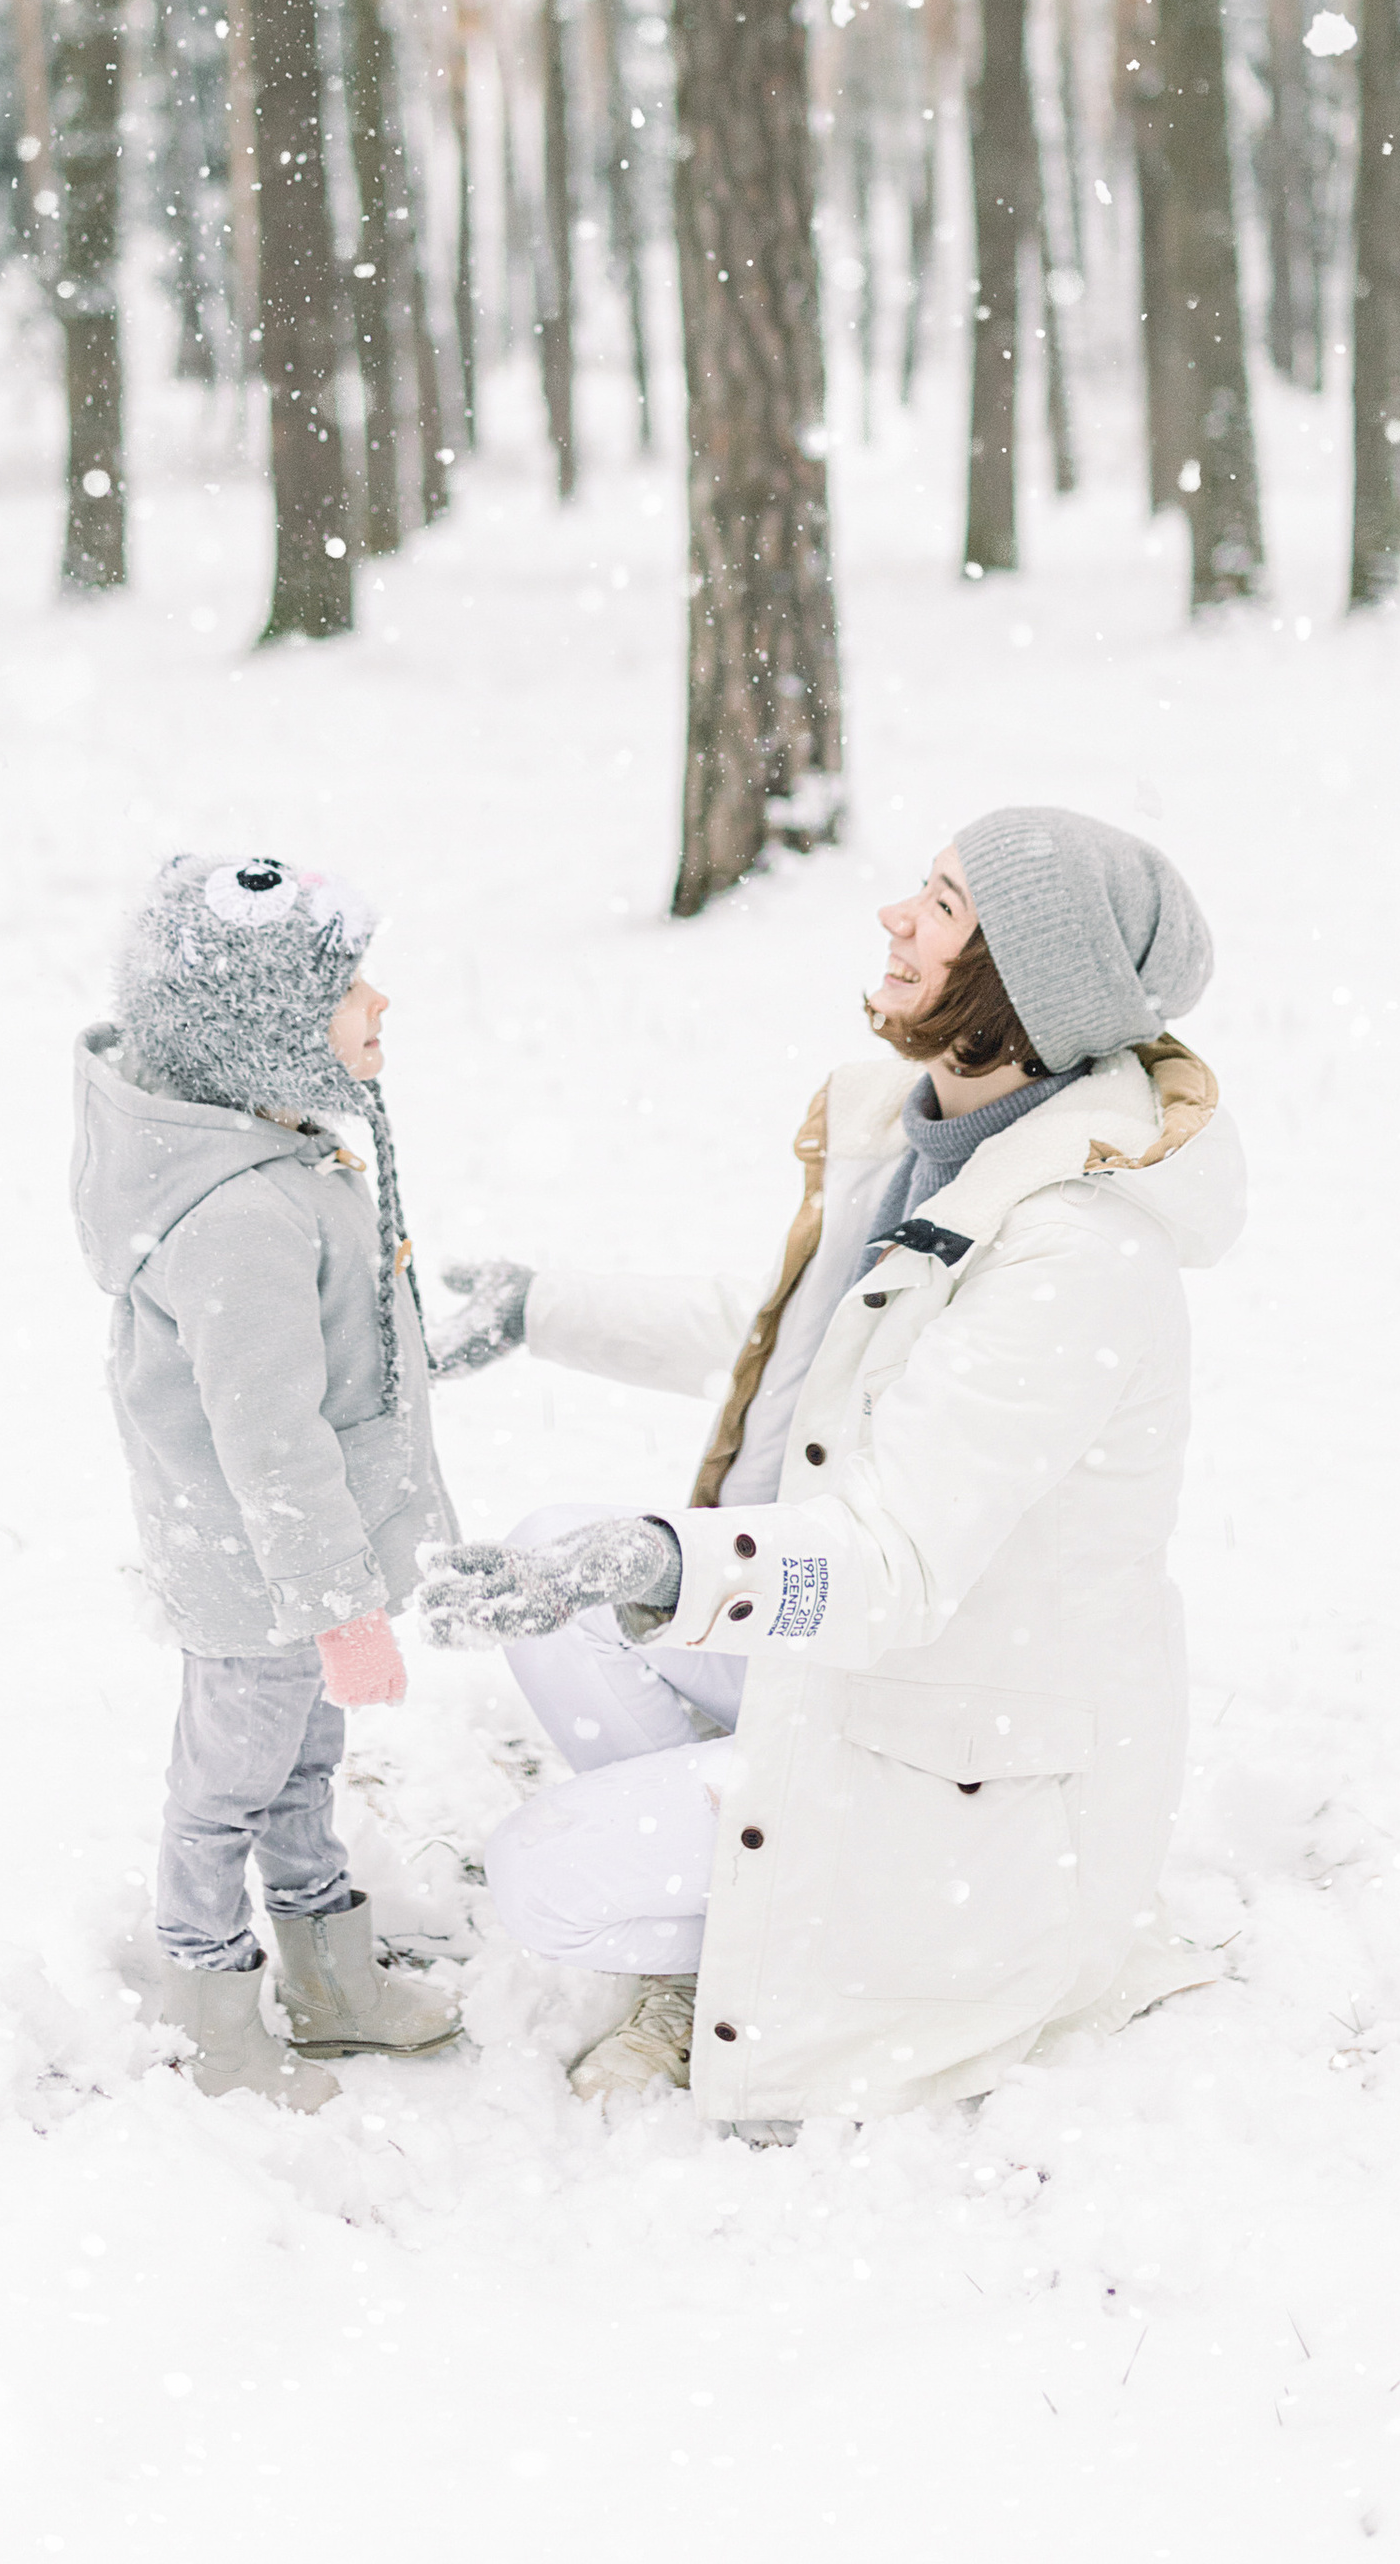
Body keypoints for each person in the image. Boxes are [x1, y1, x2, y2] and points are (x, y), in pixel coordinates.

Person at [421, 806, 1245, 2128]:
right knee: (557, 1555)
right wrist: (543, 1309)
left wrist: (663, 1560)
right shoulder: (931, 1137)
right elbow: (788, 1339)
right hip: (852, 1659)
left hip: (960, 1746)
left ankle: (746, 1951)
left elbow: (896, 1560)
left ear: (1026, 986)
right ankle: (736, 1867)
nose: (894, 919)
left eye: (942, 904)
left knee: (548, 1879)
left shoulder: (1075, 1258)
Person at [72, 852, 463, 2105]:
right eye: (350, 986)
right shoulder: (241, 1215)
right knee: (229, 1783)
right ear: (265, 1037)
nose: (380, 1004)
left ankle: (327, 1976)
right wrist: (337, 1609)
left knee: (300, 1767)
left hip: (301, 1571)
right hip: (262, 1579)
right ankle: (208, 2004)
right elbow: (269, 1441)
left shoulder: (287, 1156)